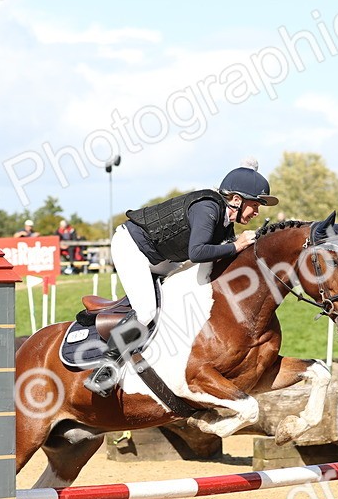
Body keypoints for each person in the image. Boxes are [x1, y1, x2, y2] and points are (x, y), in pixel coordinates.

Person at [83, 160, 278, 394]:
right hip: (132, 248)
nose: (257, 211)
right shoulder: (208, 209)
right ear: (236, 200)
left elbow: (218, 258)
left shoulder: (226, 222)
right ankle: (106, 368)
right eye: (255, 204)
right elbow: (197, 252)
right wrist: (237, 246)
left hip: (162, 256)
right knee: (146, 312)